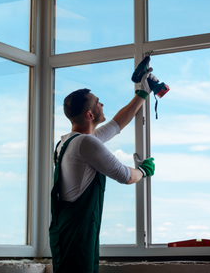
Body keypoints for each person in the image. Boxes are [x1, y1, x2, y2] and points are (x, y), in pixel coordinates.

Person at [49, 71, 156, 273]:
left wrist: (142, 93)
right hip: (77, 236)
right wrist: (144, 170)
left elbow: (116, 125)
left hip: (68, 232)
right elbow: (125, 175)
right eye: (98, 102)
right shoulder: (86, 143)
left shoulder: (67, 142)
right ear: (90, 115)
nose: (102, 105)